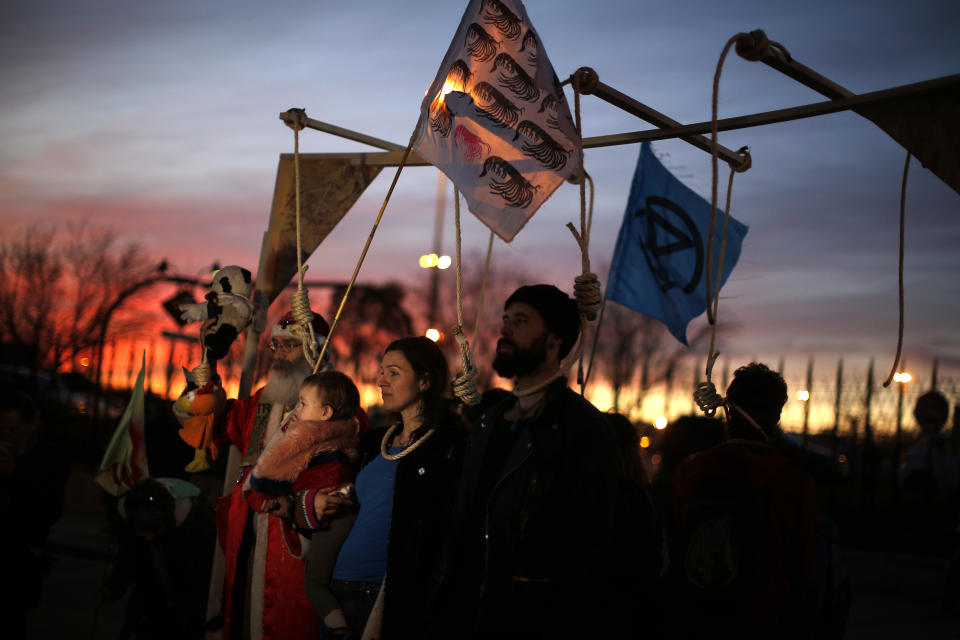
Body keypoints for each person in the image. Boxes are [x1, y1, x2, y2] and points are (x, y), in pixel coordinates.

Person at [435, 284, 618, 639]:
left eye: (520, 321)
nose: (504, 329)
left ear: (554, 339)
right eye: (505, 319)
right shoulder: (488, 417)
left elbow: (592, 542)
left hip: (530, 614)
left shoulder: (582, 428)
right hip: (465, 606)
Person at [180, 310, 332, 640]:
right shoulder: (262, 401)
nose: (278, 354)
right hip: (246, 538)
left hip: (292, 547)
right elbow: (210, 426)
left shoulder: (338, 408)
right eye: (275, 345)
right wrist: (202, 378)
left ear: (315, 351)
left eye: (289, 345)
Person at [328, 336, 466, 639]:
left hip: (385, 592)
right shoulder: (376, 443)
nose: (381, 380)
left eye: (393, 372)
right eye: (381, 371)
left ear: (424, 381)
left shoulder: (447, 446)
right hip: (339, 587)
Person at [669, 362, 819, 640]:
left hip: (696, 614)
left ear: (728, 410)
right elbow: (802, 561)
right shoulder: (793, 480)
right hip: (763, 618)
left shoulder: (690, 470)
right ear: (777, 414)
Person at [244, 371, 362, 638]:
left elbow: (264, 481)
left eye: (303, 403)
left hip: (328, 519)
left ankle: (340, 630)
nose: (298, 409)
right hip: (320, 517)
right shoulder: (342, 431)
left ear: (325, 413)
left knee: (315, 584)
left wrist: (275, 493)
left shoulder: (305, 438)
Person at [98, 477, 216, 640]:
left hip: (184, 611)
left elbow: (201, 579)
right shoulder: (136, 516)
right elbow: (129, 560)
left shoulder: (195, 530)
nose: (149, 538)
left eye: (153, 532)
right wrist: (111, 589)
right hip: (149, 608)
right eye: (143, 533)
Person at [0, 388, 70, 640]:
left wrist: (13, 477)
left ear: (33, 425)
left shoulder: (50, 461)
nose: (8, 436)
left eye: (14, 429)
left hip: (18, 564)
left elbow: (47, 510)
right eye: (3, 429)